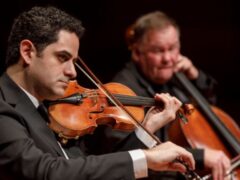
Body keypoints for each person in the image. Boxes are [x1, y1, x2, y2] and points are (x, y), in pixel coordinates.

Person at [0, 6, 196, 180]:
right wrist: (146, 158)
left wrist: (146, 130)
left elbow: (90, 171)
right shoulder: (3, 106)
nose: (73, 72)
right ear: (27, 52)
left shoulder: (45, 109)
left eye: (74, 62)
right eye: (62, 57)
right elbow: (46, 172)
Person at [110, 11, 231, 180]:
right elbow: (123, 156)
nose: (168, 58)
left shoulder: (176, 79)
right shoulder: (122, 90)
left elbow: (206, 115)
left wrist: (195, 77)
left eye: (172, 48)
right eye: (158, 50)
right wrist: (200, 156)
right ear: (137, 53)